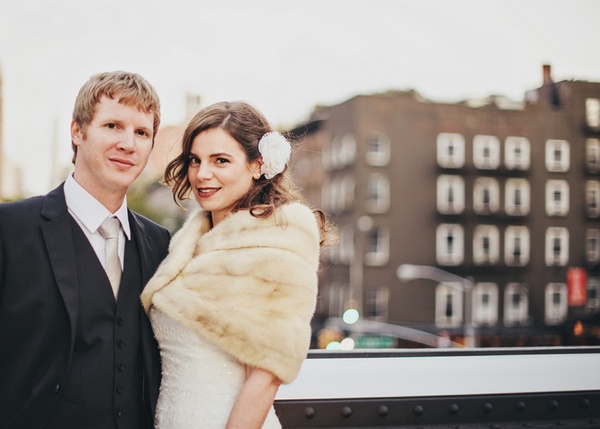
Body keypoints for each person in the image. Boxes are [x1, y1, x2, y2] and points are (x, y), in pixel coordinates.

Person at [141, 101, 335, 429]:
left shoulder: (279, 239)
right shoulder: (187, 242)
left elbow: (267, 374)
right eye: (195, 160)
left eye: (221, 161)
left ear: (258, 165)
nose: (202, 174)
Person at [0, 71, 171, 429]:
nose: (129, 144)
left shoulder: (160, 244)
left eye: (142, 132)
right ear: (77, 131)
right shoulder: (10, 230)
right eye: (113, 125)